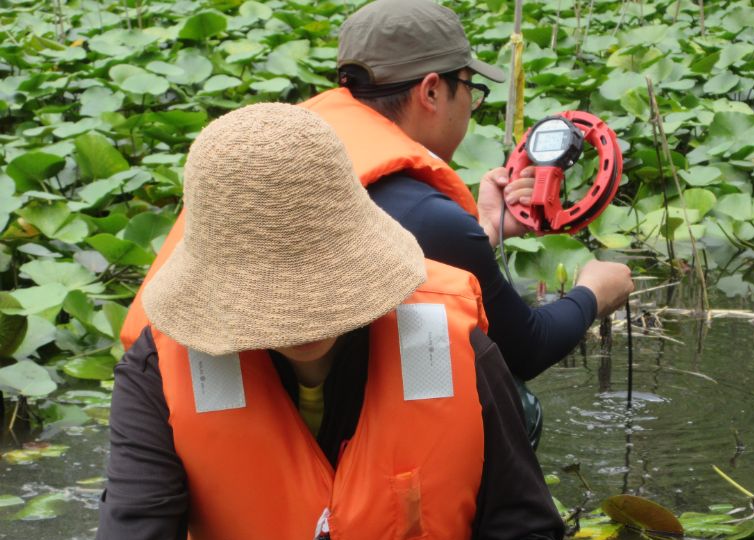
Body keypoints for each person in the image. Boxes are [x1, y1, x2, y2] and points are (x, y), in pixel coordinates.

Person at [92, 103, 565, 540]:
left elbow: (524, 535)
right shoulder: (161, 369)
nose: (306, 324)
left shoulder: (446, 339)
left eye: (322, 293)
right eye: (274, 304)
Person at [119, 0, 634, 385]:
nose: (470, 108)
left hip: (178, 409)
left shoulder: (269, 160)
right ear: (432, 90)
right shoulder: (430, 219)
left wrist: (483, 224)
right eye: (469, 90)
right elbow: (524, 350)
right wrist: (593, 292)